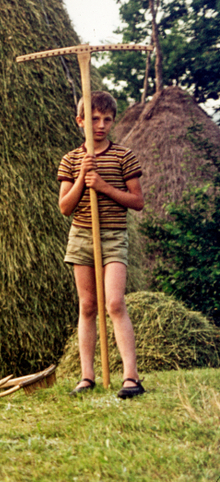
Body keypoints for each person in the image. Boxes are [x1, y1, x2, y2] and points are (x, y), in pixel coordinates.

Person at [57, 91, 145, 399]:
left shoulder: (124, 156)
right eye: (94, 119)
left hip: (113, 235)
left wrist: (104, 187)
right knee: (88, 305)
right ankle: (86, 376)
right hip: (82, 235)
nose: (101, 125)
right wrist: (82, 176)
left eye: (107, 119)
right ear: (80, 121)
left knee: (115, 303)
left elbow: (137, 201)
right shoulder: (70, 159)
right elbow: (65, 207)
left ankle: (131, 377)